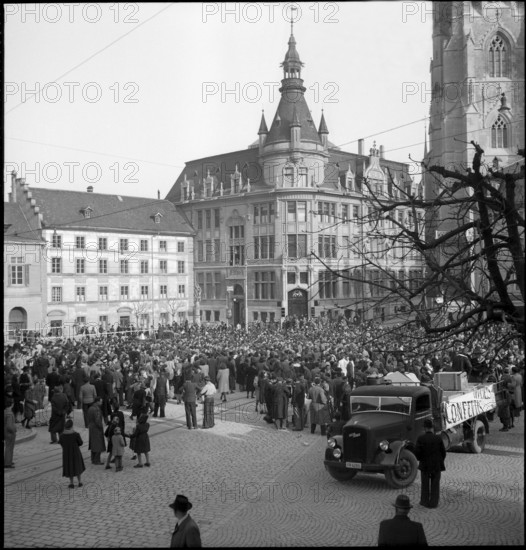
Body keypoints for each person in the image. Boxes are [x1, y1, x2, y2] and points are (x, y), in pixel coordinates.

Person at [415, 418, 446, 508]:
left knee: (425, 484)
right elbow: (443, 452)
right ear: (432, 428)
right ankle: (433, 503)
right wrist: (440, 461)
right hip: (436, 465)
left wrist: (421, 459)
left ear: (425, 428)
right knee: (435, 484)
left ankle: (424, 501)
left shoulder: (421, 438)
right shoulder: (438, 438)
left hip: (425, 465)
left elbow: (417, 453)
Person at [59, 418, 85, 488]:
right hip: (75, 452)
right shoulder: (75, 434)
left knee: (69, 467)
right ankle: (79, 482)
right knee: (77, 466)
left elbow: (61, 443)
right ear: (72, 426)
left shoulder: (62, 435)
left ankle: (71, 483)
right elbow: (81, 443)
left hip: (67, 453)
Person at [87, 397, 106, 465]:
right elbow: (97, 420)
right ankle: (97, 460)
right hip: (96, 428)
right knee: (98, 444)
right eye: (101, 401)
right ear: (97, 401)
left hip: (91, 427)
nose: (101, 403)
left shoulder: (90, 408)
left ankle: (93, 459)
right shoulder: (97, 409)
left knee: (93, 444)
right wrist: (101, 427)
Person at [4, 396, 16, 468]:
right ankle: (8, 462)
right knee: (9, 447)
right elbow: (9, 426)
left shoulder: (5, 411)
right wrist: (14, 430)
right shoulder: (9, 413)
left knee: (8, 447)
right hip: (9, 433)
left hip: (6, 431)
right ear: (12, 404)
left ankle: (8, 460)